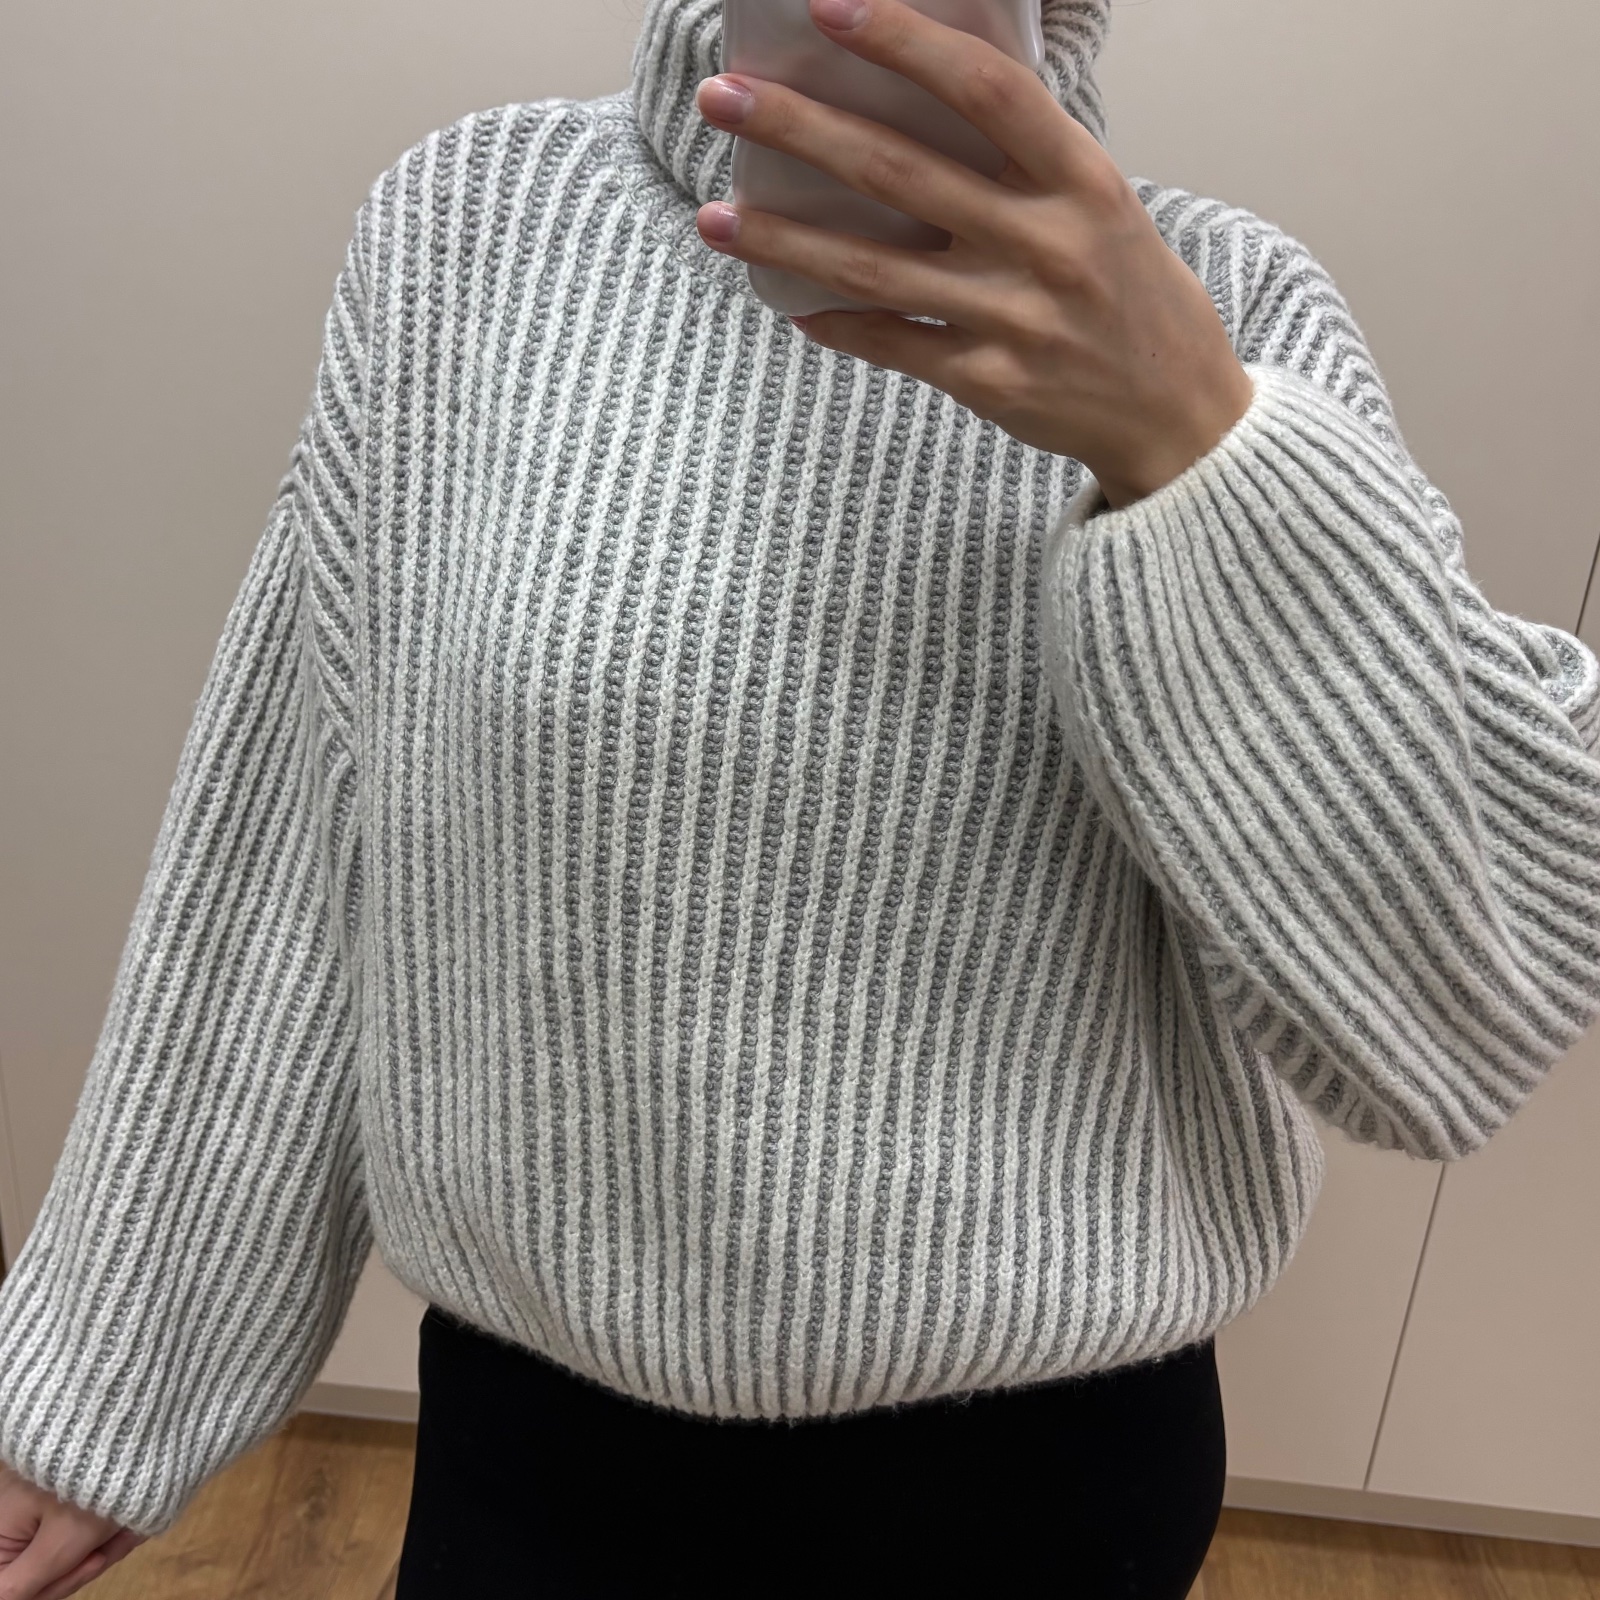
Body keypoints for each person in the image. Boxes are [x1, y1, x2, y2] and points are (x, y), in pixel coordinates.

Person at [3, 0, 1599, 1594]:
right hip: (542, 1468)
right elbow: (295, 828)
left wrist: (1193, 442)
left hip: (1043, 1497)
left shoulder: (1225, 308)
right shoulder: (469, 229)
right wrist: (107, 1372)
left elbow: (1458, 1019)